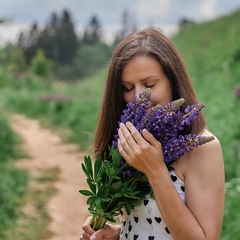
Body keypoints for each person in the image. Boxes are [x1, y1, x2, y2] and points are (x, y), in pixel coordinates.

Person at [80, 27, 225, 240]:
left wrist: (156, 172)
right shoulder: (130, 144)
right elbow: (149, 225)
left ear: (173, 82)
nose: (140, 97)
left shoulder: (203, 148)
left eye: (149, 84)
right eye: (127, 88)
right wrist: (118, 233)